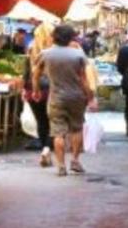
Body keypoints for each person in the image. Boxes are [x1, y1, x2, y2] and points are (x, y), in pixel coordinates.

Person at [32, 24, 92, 176]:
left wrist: (36, 90)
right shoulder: (78, 55)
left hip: (56, 97)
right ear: (71, 37)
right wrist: (90, 96)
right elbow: (84, 79)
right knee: (76, 129)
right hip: (77, 97)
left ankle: (61, 166)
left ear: (54, 36)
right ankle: (75, 161)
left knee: (58, 133)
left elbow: (35, 73)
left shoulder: (45, 54)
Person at [24, 23, 54, 166]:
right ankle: (48, 147)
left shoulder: (31, 48)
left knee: (41, 121)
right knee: (52, 121)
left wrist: (25, 88)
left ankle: (43, 147)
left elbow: (26, 72)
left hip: (33, 89)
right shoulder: (55, 50)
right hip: (52, 89)